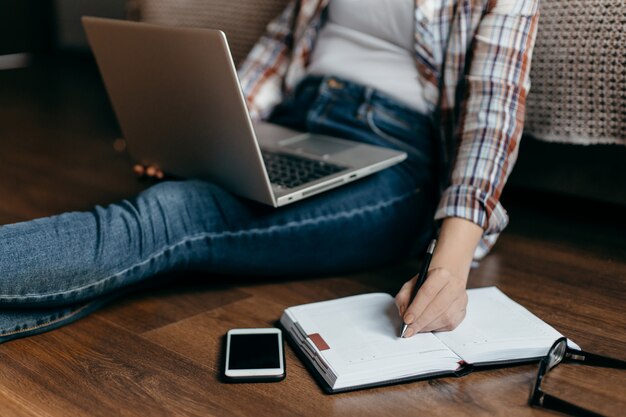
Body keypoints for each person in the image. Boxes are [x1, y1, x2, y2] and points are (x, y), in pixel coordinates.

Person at [0, 0, 539, 343]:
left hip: (394, 157)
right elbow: (280, 50)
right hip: (293, 121)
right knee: (174, 242)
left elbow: (493, 115)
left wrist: (450, 264)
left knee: (171, 218)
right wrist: (211, 137)